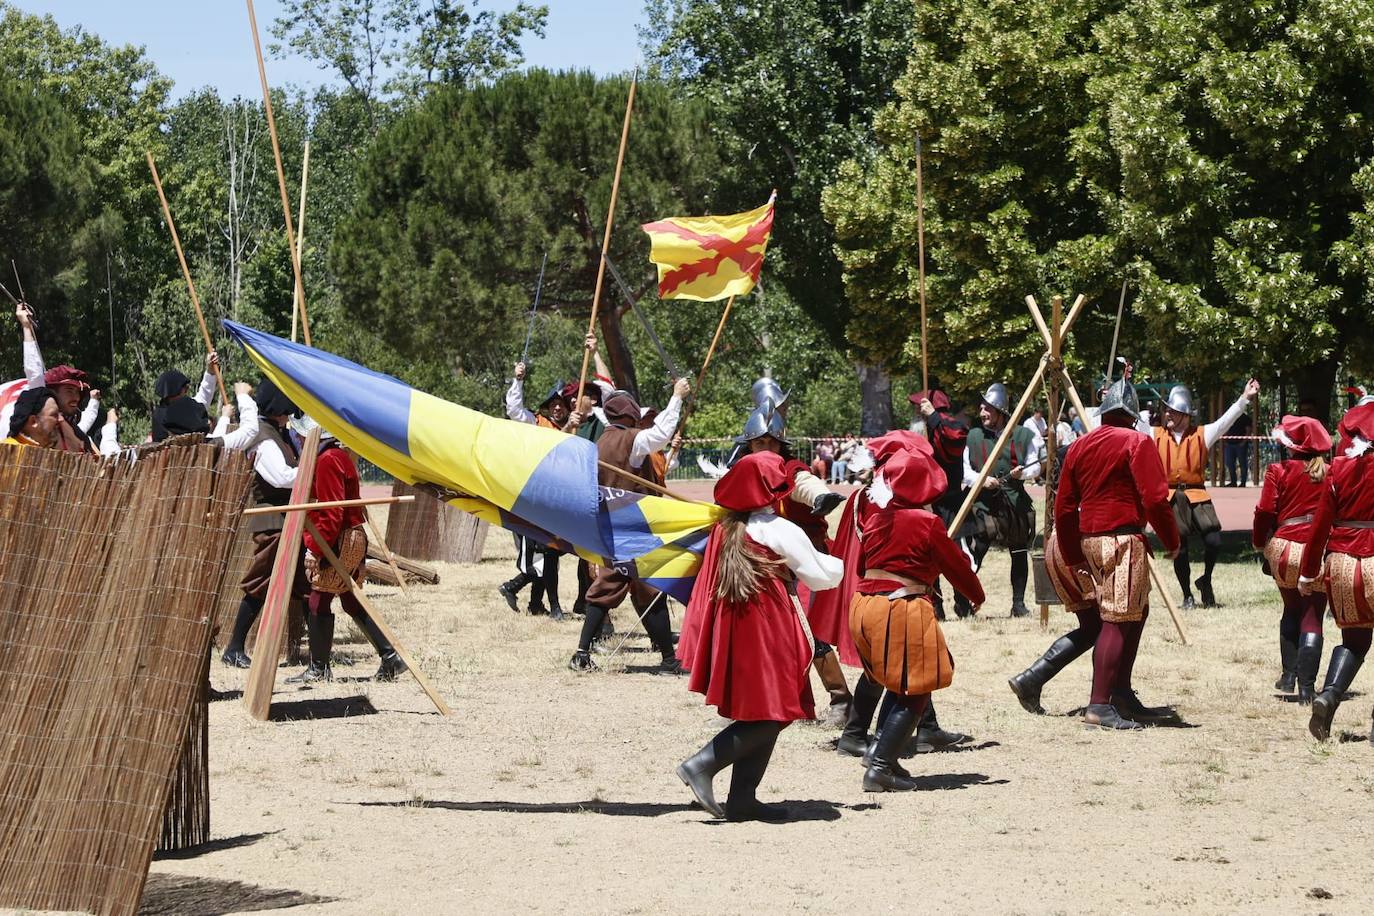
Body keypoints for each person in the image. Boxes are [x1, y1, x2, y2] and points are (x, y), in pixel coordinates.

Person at [674, 452, 843, 821]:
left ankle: (742, 799)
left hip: (737, 629)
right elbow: (820, 576)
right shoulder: (779, 529)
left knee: (762, 710)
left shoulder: (724, 528)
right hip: (771, 627)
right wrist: (845, 563)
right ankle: (701, 765)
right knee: (777, 711)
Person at [848, 442, 984, 789]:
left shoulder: (877, 518)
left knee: (898, 680)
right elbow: (955, 565)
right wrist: (976, 595)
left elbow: (863, 565)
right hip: (901, 606)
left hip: (864, 605)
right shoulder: (927, 522)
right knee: (916, 688)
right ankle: (879, 767)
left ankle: (882, 752)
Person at [1054, 377, 1182, 729]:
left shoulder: (1079, 445)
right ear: (1131, 414)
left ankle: (1120, 693)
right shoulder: (1136, 442)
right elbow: (1155, 499)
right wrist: (1172, 540)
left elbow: (1063, 506)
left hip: (1088, 540)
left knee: (1133, 613)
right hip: (1123, 539)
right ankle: (1099, 705)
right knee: (1118, 618)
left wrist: (1072, 553)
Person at [729, 396, 850, 723]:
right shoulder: (744, 472)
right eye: (759, 441)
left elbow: (803, 483)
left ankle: (841, 699)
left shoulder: (789, 468)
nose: (766, 446)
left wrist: (820, 496)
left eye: (771, 441)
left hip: (802, 557)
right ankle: (761, 706)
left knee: (810, 628)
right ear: (749, 444)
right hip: (761, 563)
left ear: (782, 444)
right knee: (759, 632)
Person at [568, 380, 690, 673]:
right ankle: (582, 654)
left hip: (614, 526)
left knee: (643, 589)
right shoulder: (629, 440)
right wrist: (676, 398)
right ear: (630, 414)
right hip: (631, 529)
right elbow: (659, 435)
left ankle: (665, 657)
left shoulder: (600, 444)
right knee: (630, 587)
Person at [287, 418, 407, 684]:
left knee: (319, 599)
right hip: (347, 536)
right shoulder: (338, 455)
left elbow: (331, 512)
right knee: (349, 598)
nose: (300, 440)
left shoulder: (329, 459)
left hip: (338, 537)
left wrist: (316, 549)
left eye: (302, 436)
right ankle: (390, 658)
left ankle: (318, 669)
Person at [1141, 379, 1260, 608]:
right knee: (1180, 548)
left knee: (1214, 540)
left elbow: (1227, 420)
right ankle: (1187, 595)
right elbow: (1132, 420)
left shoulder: (1202, 434)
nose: (1167, 415)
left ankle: (1205, 579)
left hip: (1197, 495)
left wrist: (1245, 396)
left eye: (1172, 412)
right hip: (1170, 497)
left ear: (1185, 415)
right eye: (1167, 411)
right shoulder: (1154, 434)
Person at [221, 378, 310, 668]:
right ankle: (234, 648)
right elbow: (281, 478)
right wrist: (312, 468)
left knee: (302, 583)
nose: (289, 415)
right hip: (272, 520)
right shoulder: (262, 436)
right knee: (260, 582)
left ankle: (318, 658)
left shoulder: (277, 433)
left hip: (286, 518)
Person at [1300, 402, 1374, 741]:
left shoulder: (1338, 469)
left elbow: (1318, 528)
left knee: (1354, 641)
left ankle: (1329, 694)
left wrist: (1307, 571)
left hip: (1342, 563)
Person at [1253, 416, 1332, 704]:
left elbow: (1264, 511)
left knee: (1290, 609)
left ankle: (1288, 676)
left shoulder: (1278, 470)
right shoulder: (1330, 472)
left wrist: (1259, 542)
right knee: (1313, 617)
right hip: (1319, 549)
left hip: (1285, 548)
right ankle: (1307, 690)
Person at [961, 382, 1041, 617]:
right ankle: (965, 601)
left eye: (988, 409)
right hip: (984, 503)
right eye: (982, 408)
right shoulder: (974, 436)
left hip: (1014, 501)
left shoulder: (1023, 435)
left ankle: (1018, 604)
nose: (983, 413)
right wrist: (982, 480)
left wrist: (1021, 473)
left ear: (1000, 412)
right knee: (976, 552)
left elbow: (1034, 467)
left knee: (1018, 552)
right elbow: (965, 471)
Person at [501, 360, 573, 618]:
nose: (557, 407)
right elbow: (514, 409)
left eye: (561, 404)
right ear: (546, 407)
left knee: (553, 552)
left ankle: (529, 599)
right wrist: (518, 380)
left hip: (559, 498)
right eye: (553, 404)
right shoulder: (536, 422)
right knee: (546, 553)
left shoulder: (573, 426)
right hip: (536, 498)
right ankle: (550, 606)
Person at [911, 380, 970, 619]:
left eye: (921, 406)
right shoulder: (924, 428)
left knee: (953, 556)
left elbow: (956, 436)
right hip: (926, 502)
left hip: (949, 503)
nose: (917, 411)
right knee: (928, 554)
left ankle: (963, 602)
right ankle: (936, 605)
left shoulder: (947, 426)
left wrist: (934, 416)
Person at [1224, 410, 1254, 487]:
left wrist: (1243, 442)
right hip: (1230, 444)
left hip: (1240, 445)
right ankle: (1233, 482)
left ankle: (1243, 482)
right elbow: (1226, 428)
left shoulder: (1245, 418)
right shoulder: (1230, 417)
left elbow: (1248, 430)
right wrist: (1226, 440)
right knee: (1229, 463)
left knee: (1243, 464)